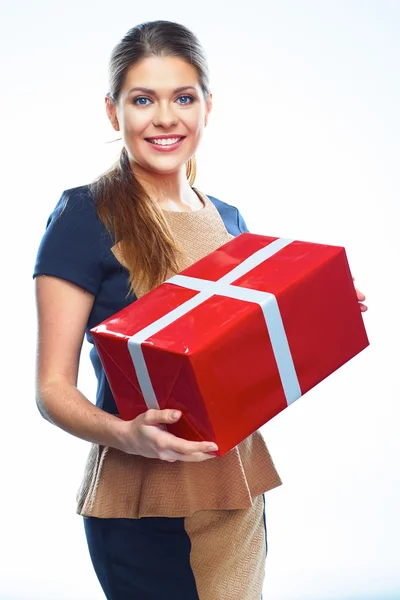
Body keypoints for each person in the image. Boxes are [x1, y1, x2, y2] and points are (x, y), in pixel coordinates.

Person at [33, 20, 368, 600]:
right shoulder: (84, 217)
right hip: (145, 506)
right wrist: (128, 435)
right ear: (113, 112)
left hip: (238, 492)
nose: (166, 118)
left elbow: (242, 371)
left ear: (207, 107)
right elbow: (51, 390)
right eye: (143, 99)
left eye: (183, 98)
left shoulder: (232, 220)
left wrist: (318, 311)